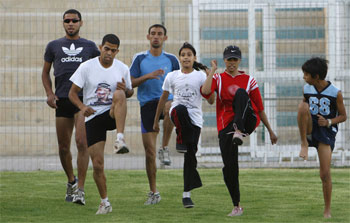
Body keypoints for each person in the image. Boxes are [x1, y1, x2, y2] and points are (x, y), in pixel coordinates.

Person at [201, 45, 278, 216]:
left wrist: (271, 131)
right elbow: (206, 93)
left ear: (239, 61)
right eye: (229, 59)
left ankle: (239, 129)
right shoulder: (219, 78)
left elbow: (259, 108)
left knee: (242, 94)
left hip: (247, 121)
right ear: (224, 61)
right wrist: (212, 72)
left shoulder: (249, 80)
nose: (232, 63)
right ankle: (237, 205)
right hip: (226, 127)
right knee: (229, 167)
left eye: (235, 59)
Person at [69, 34, 133, 214]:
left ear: (117, 51)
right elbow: (72, 93)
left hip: (112, 113)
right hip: (93, 116)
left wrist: (125, 90)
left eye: (113, 50)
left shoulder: (122, 68)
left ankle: (120, 139)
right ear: (100, 47)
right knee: (97, 164)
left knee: (119, 94)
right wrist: (82, 107)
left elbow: (129, 92)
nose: (109, 53)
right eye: (107, 49)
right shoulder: (87, 67)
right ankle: (104, 202)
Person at [41, 9, 100, 204]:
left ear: (81, 23)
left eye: (75, 20)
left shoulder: (90, 47)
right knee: (63, 146)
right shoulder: (54, 46)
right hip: (63, 100)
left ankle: (80, 190)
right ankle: (71, 181)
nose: (71, 23)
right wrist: (50, 93)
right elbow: (45, 73)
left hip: (83, 100)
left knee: (82, 143)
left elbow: (101, 68)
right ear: (63, 23)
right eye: (67, 21)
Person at [154, 42, 215, 208]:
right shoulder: (172, 76)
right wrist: (155, 121)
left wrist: (211, 77)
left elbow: (210, 100)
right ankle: (180, 140)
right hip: (177, 114)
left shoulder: (201, 76)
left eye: (189, 54)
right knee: (180, 108)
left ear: (194, 58)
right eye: (183, 54)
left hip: (195, 121)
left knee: (190, 157)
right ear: (180, 58)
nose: (186, 57)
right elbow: (163, 98)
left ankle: (186, 195)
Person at [130, 24, 180, 204]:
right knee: (149, 153)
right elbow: (131, 83)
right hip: (148, 105)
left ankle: (165, 148)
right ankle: (153, 192)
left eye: (160, 34)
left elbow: (180, 80)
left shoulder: (172, 59)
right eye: (153, 34)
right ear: (148, 37)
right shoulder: (140, 58)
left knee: (170, 106)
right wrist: (148, 76)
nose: (156, 37)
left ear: (165, 38)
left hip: (167, 100)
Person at [297, 57, 347, 218]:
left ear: (316, 76)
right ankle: (304, 143)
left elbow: (344, 116)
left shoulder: (335, 93)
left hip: (325, 131)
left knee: (324, 174)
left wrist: (329, 122)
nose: (304, 77)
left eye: (306, 74)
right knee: (302, 106)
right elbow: (303, 111)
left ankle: (327, 210)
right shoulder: (307, 89)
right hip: (311, 127)